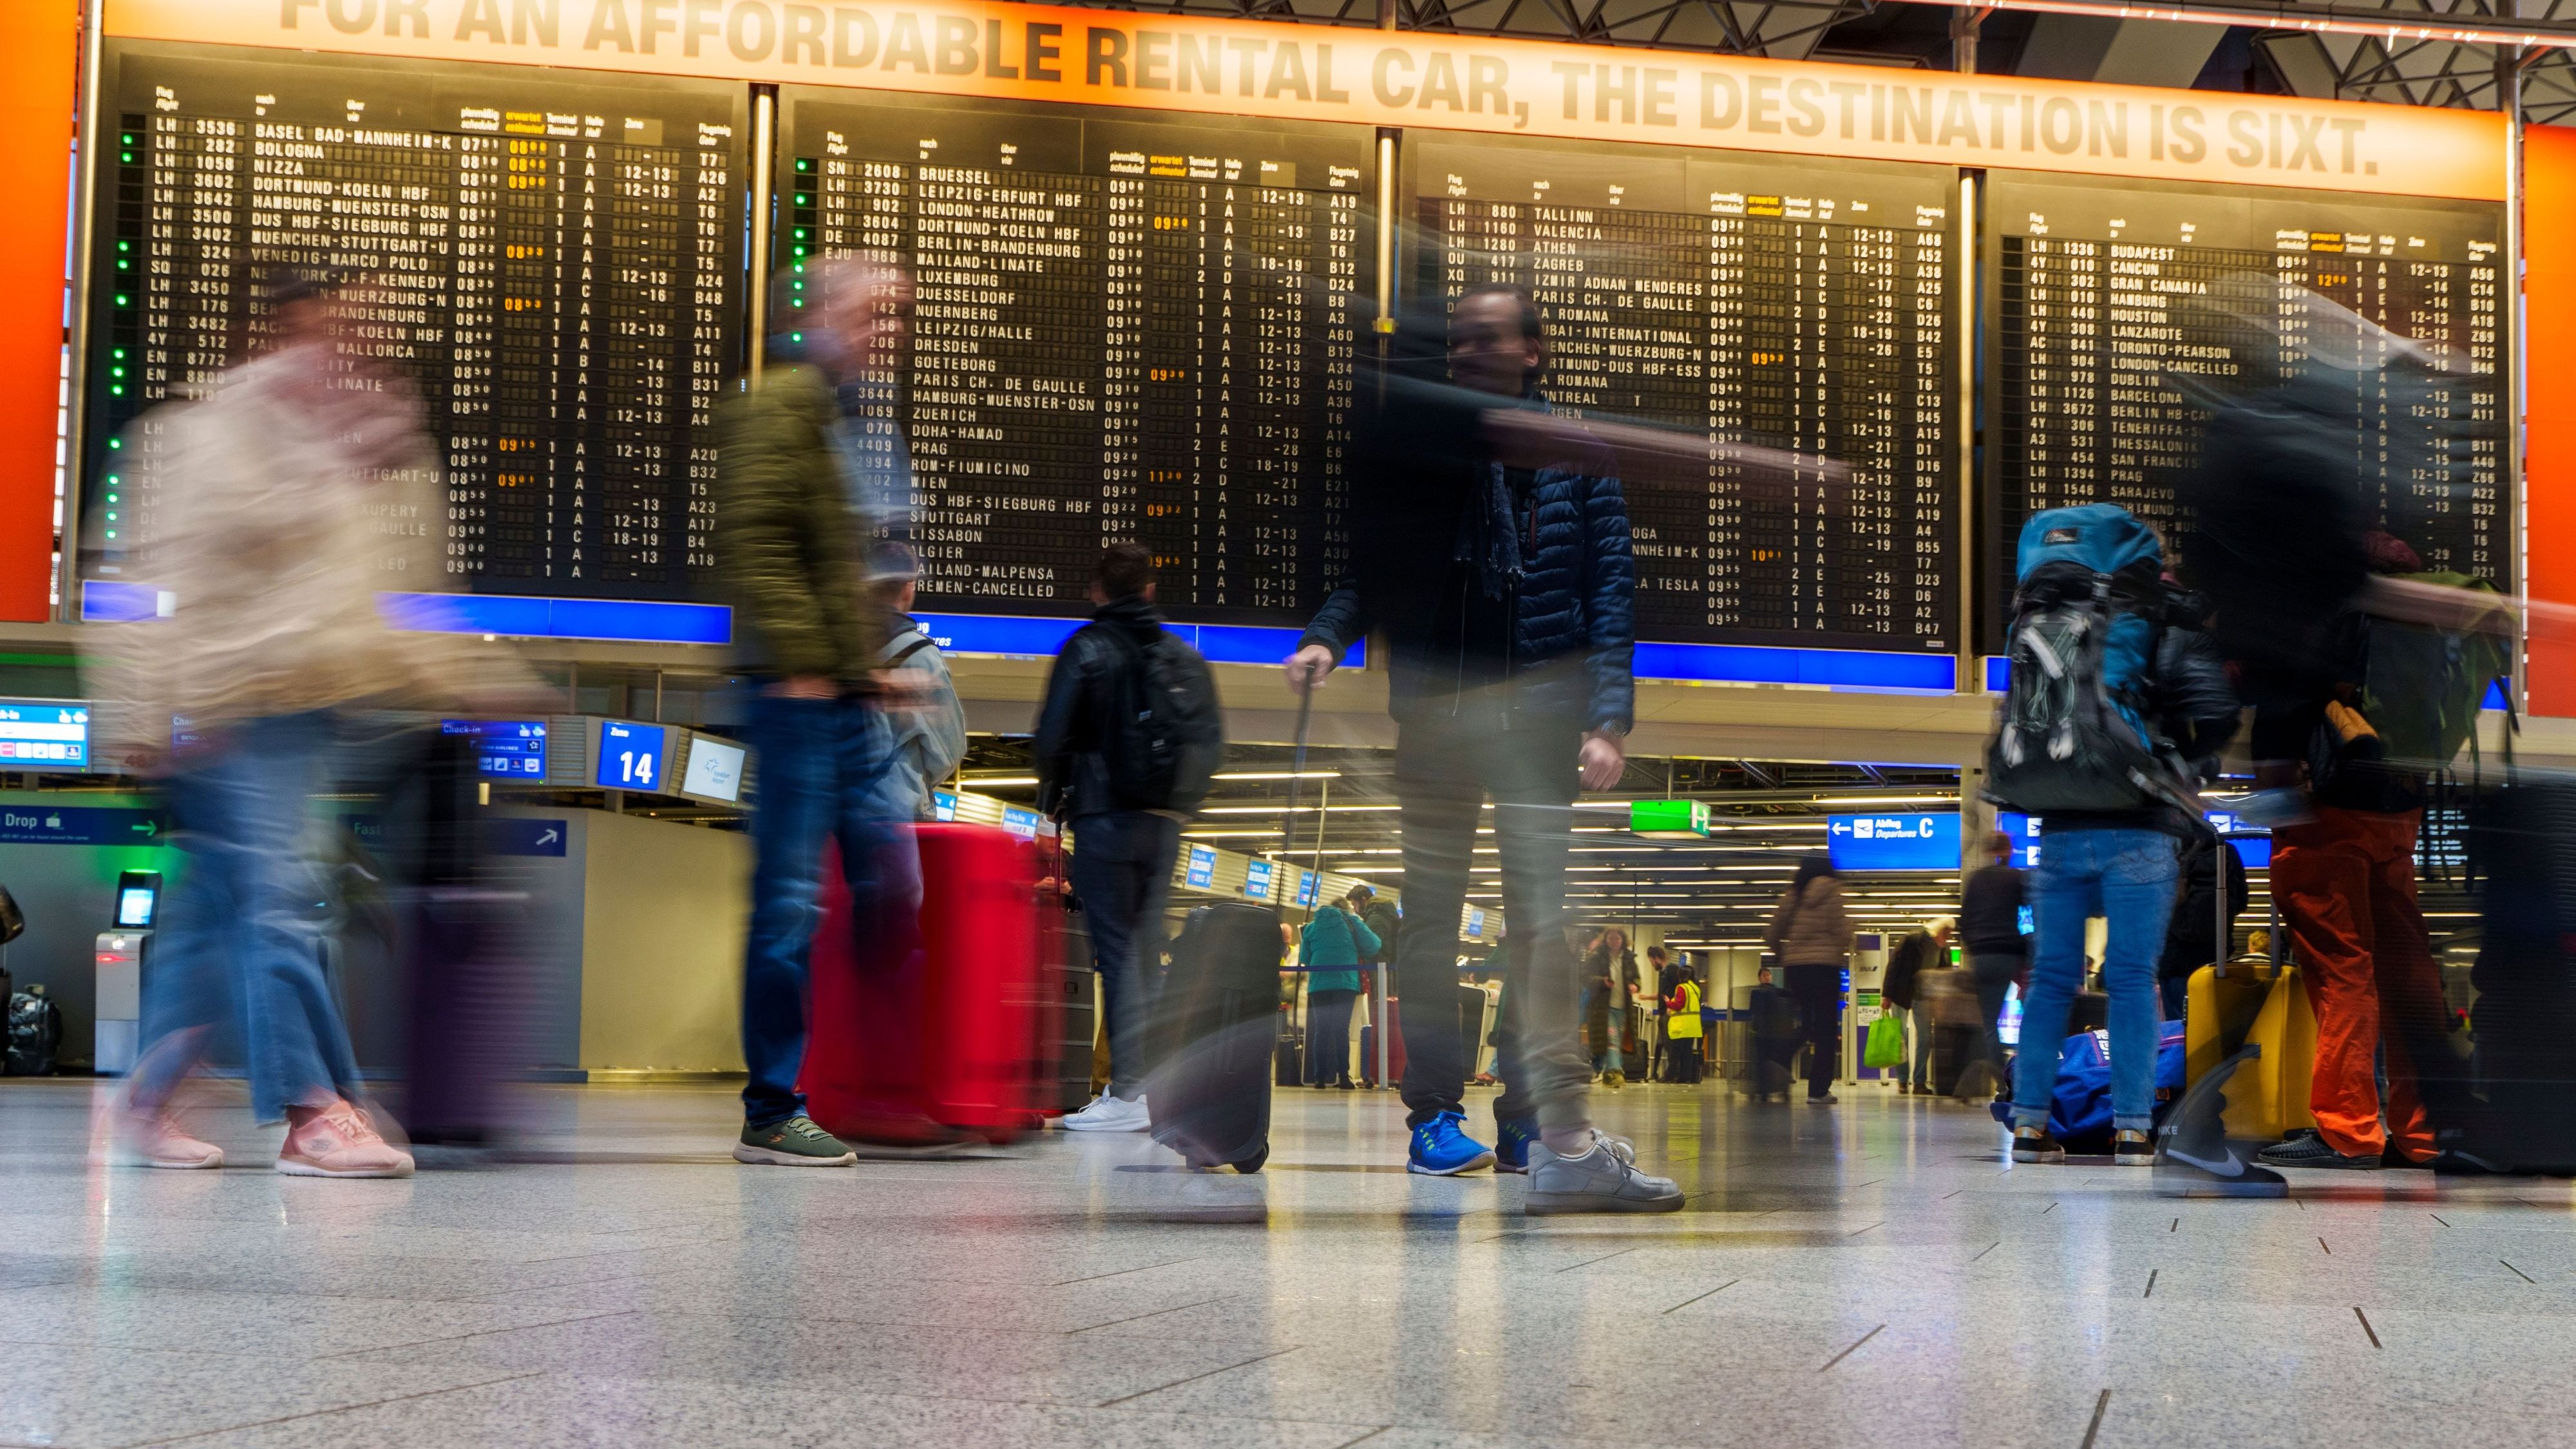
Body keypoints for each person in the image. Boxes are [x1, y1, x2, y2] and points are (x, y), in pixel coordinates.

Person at [106, 274, 525, 1177]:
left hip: (301, 710)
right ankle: (313, 1110)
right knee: (285, 899)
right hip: (230, 709)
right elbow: (158, 582)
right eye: (341, 327)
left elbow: (361, 611)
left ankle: (148, 1099)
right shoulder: (209, 436)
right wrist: (144, 714)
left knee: (220, 915)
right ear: (283, 332)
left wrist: (474, 676)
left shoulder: (334, 448)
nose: (360, 346)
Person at [1284, 282, 1679, 1211]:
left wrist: (1608, 718)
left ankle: (1526, 1122)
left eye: (1484, 338)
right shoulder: (1431, 455)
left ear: (1532, 353)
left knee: (1538, 927)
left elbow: (1609, 595)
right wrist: (1325, 638)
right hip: (1439, 720)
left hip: (1542, 721)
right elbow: (1375, 573)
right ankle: (1432, 1118)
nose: (1464, 350)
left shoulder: (1580, 458)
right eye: (1456, 337)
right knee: (1431, 919)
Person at [717, 256, 926, 1166]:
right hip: (797, 699)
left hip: (844, 695)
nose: (890, 330)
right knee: (790, 905)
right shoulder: (781, 405)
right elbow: (757, 539)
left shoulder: (851, 420)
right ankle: (771, 1106)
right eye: (876, 312)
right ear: (827, 313)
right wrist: (805, 664)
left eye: (897, 316)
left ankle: (880, 1078)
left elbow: (834, 570)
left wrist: (867, 669)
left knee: (890, 880)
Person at [2005, 556, 2239, 1168]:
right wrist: (2185, 765)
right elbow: (2216, 715)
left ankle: (2030, 1127)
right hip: (2139, 828)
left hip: (2057, 826)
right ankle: (2133, 1129)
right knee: (2133, 979)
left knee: (2053, 978)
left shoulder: (2058, 616)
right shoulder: (2171, 628)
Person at [2250, 534, 2448, 1171]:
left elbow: (2280, 708)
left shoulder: (2321, 612)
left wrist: (2277, 798)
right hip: (2399, 810)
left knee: (2342, 969)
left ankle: (2347, 1129)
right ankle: (2424, 1133)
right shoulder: (2418, 619)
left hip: (2328, 812)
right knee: (2407, 974)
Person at [1036, 543, 1219, 1132]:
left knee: (1115, 955)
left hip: (1104, 817)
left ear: (1097, 592)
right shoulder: (1184, 658)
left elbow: (1053, 737)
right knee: (1147, 955)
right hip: (1162, 826)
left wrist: (1054, 799)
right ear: (1147, 590)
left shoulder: (1086, 648)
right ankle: (1160, 1091)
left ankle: (1129, 1094)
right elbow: (1209, 741)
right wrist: (1178, 807)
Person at [870, 542, 967, 820]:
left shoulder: (839, 650)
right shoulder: (920, 656)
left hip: (837, 811)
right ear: (909, 586)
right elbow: (949, 750)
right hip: (897, 810)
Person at [1766, 857, 1854, 1105]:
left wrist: (1783, 955)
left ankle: (1778, 1060)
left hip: (1797, 969)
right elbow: (1843, 932)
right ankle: (1817, 1091)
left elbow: (1773, 931)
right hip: (1825, 969)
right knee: (1825, 1030)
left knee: (1805, 1025)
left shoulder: (1793, 894)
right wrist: (1839, 949)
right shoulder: (1833, 892)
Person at [1958, 831, 2029, 1083]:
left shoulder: (1975, 879)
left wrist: (1972, 947)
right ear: (2009, 851)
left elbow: (1964, 920)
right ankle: (2021, 1074)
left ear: (1989, 851)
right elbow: (2031, 916)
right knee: (2030, 1011)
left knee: (1989, 1022)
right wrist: (2027, 948)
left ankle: (2000, 1081)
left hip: (1981, 956)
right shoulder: (2017, 878)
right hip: (2009, 955)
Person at [2157, 833, 2248, 1019]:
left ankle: (2183, 1047)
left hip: (2176, 954)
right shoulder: (2227, 850)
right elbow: (2242, 902)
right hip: (2216, 952)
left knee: (2180, 1021)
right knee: (2211, 1018)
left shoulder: (2169, 848)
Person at [1298, 890, 1381, 1089]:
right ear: (1346, 909)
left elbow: (1305, 959)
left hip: (1319, 985)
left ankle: (1319, 1079)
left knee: (1322, 1030)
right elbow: (1374, 945)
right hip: (1345, 982)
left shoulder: (1312, 927)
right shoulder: (1352, 923)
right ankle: (1344, 1077)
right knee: (1341, 1029)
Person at [1884, 918, 1953, 1095]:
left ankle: (1919, 1082)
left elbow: (1945, 976)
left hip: (1925, 998)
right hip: (1902, 994)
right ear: (1938, 929)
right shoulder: (1912, 940)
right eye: (1947, 931)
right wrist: (1887, 994)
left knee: (1925, 1039)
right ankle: (1902, 1080)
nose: (1949, 935)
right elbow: (1894, 966)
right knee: (1902, 1038)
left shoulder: (1945, 949)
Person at [1582, 927, 1642, 1088]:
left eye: (1617, 939)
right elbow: (1586, 977)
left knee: (1617, 1041)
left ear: (1623, 941)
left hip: (1623, 1006)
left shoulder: (1629, 959)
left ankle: (1600, 1069)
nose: (1614, 942)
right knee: (1612, 1039)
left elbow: (1637, 978)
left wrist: (1635, 986)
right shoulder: (1597, 957)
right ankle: (1614, 1073)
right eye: (1611, 939)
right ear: (1605, 940)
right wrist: (1603, 981)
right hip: (1603, 1007)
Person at [1748, 964, 1800, 1103]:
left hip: (1771, 1033)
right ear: (1759, 978)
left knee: (1767, 1060)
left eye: (1768, 975)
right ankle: (1766, 1089)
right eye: (1764, 975)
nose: (1767, 977)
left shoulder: (1777, 992)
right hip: (1767, 1032)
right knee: (1766, 1061)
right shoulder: (1762, 992)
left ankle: (1772, 1088)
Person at [1662, 960, 1703, 1085]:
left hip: (1681, 1026)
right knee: (1687, 1053)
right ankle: (1685, 1076)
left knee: (1675, 1054)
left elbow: (1679, 1004)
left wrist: (1668, 1002)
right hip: (1693, 1026)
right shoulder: (1696, 988)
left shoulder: (1682, 987)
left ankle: (1670, 1076)